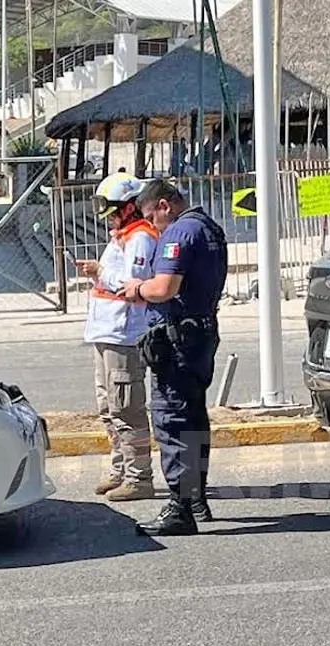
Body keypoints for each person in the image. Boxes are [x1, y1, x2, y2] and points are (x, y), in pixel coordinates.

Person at [122, 178, 228, 537]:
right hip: (200, 332)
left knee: (172, 419)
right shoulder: (209, 228)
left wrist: (137, 289)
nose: (152, 225)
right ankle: (196, 497)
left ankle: (180, 507)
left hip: (178, 339)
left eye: (152, 216)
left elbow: (165, 287)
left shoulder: (179, 233)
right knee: (194, 416)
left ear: (165, 205)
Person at [73, 172, 159, 502]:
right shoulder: (122, 235)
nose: (108, 216)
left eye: (112, 209)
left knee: (128, 408)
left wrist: (99, 272)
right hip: (107, 332)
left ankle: (139, 477)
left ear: (129, 207)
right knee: (108, 407)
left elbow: (131, 283)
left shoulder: (140, 237)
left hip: (125, 334)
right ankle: (121, 468)